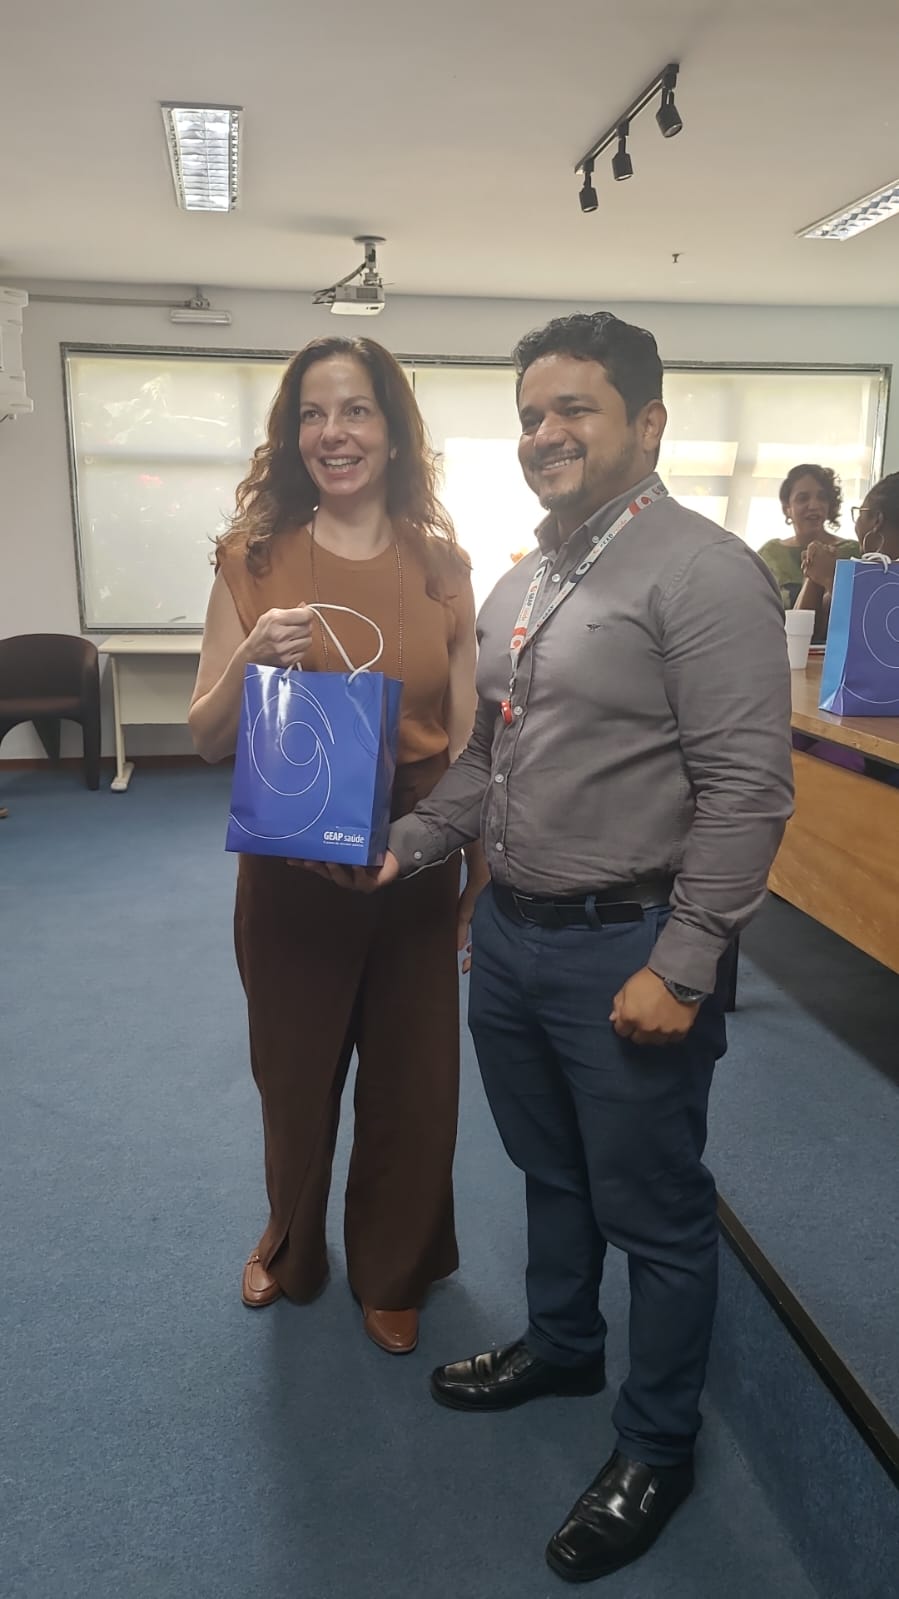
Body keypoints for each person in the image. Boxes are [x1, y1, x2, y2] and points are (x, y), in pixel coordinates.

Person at [373, 313, 794, 1580]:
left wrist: (683, 962)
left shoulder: (703, 572)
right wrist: (410, 841)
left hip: (628, 946)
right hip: (510, 938)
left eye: (575, 410)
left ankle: (656, 1445)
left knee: (654, 1214)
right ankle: (563, 1347)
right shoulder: (528, 580)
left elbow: (747, 792)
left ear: (646, 424)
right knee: (548, 1173)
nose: (543, 434)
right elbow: (485, 762)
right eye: (529, 414)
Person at [188, 335, 485, 1355]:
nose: (334, 433)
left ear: (392, 431)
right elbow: (206, 734)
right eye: (312, 415)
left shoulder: (443, 568)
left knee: (413, 1077)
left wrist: (473, 870)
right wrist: (249, 658)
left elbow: (469, 740)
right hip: (291, 855)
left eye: (355, 410)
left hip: (414, 848)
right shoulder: (253, 559)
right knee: (294, 1072)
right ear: (292, 436)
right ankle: (289, 1242)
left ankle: (396, 1266)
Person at [757, 463, 857, 636]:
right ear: (787, 508)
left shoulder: (853, 552)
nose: (814, 505)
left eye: (822, 497)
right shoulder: (769, 554)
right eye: (803, 498)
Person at [795, 471, 899, 633]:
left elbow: (881, 632)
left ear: (877, 520)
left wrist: (833, 578)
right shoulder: (865, 574)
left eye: (860, 513)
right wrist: (815, 576)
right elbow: (802, 632)